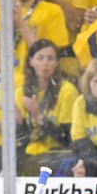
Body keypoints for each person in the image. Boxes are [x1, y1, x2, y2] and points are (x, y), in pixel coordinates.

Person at [16, 39, 79, 175]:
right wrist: (19, 123)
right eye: (40, 58)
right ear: (31, 61)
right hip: (29, 154)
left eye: (50, 58)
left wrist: (39, 117)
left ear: (56, 63)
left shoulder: (67, 91)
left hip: (56, 155)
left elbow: (67, 138)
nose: (45, 63)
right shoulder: (21, 92)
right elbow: (21, 139)